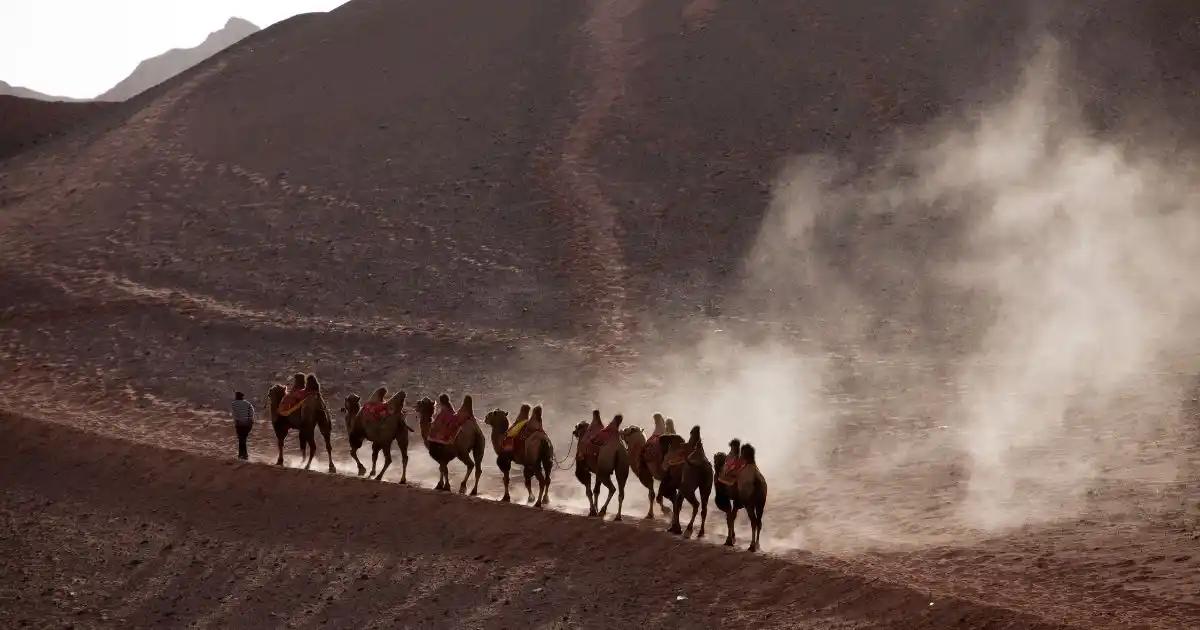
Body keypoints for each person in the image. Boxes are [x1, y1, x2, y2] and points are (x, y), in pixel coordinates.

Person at [231, 391, 255, 460]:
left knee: (241, 439)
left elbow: (234, 414)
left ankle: (243, 455)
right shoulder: (248, 403)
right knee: (243, 439)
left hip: (239, 424)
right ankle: (243, 454)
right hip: (247, 424)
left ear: (236, 396)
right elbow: (252, 412)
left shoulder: (233, 404)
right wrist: (250, 421)